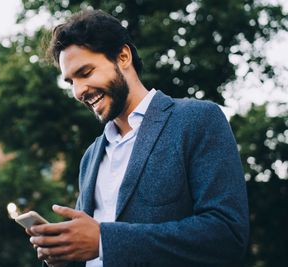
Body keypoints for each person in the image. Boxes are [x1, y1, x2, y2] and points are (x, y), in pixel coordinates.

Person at [28, 9, 249, 267]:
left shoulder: (197, 120)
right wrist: (63, 251)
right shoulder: (90, 157)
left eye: (86, 73)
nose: (78, 91)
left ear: (123, 57)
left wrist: (104, 240)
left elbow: (228, 235)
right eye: (71, 82)